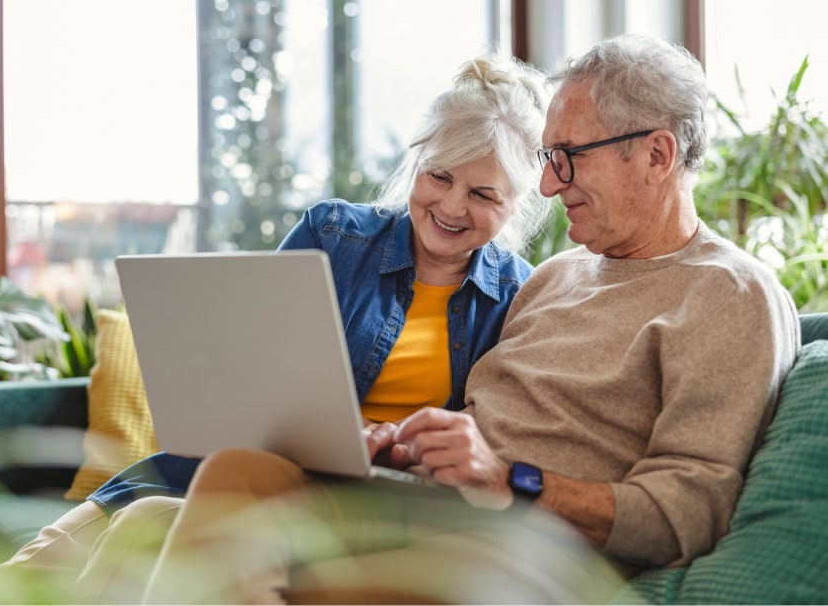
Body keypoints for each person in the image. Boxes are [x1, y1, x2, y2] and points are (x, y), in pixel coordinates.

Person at [101, 34, 800, 605]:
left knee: (212, 554)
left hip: (527, 548)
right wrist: (412, 442)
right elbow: (480, 414)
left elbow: (687, 509)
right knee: (231, 476)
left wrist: (511, 479)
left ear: (656, 154)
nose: (550, 186)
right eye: (547, 160)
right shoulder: (558, 276)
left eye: (567, 158)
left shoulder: (730, 294)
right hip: (424, 503)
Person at [0, 54, 554, 601]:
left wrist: (401, 445)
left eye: (482, 194)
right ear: (416, 163)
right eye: (440, 176)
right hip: (234, 469)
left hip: (359, 503)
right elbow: (246, 373)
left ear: (516, 204)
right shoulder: (334, 235)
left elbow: (486, 439)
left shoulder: (519, 296)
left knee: (139, 530)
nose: (452, 205)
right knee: (28, 571)